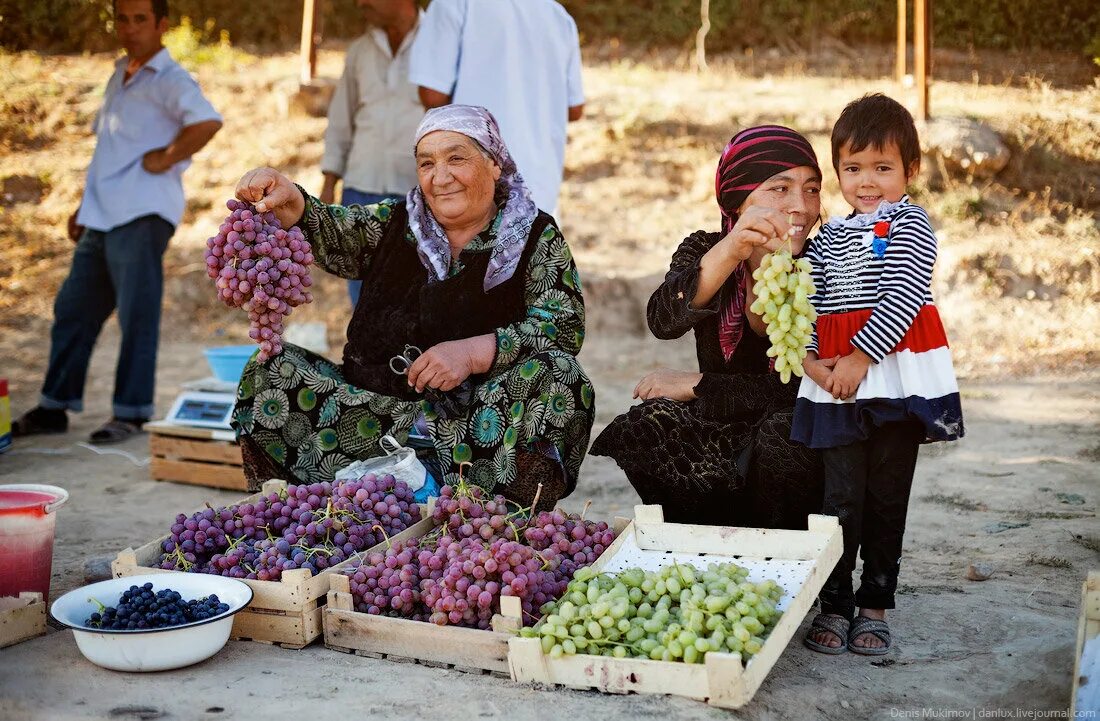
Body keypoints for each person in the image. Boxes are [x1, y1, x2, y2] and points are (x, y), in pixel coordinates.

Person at [231, 105, 594, 509]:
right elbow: (334, 229)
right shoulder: (395, 221)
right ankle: (302, 510)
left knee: (562, 377)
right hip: (371, 420)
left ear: (494, 164)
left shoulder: (534, 235)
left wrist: (474, 353)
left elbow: (563, 325)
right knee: (268, 371)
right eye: (427, 163)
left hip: (476, 432)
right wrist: (291, 198)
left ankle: (501, 519)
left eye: (457, 158)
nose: (441, 177)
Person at [590, 126, 825, 530]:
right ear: (738, 198)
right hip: (726, 427)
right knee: (648, 425)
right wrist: (733, 249)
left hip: (796, 433)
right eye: (779, 189)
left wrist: (699, 384)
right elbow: (663, 320)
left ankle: (783, 557)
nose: (800, 206)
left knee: (785, 431)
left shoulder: (827, 261)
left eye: (812, 189)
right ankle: (703, 547)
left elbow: (802, 387)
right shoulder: (707, 249)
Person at [797, 94, 964, 656]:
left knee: (888, 496)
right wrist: (817, 362)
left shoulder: (910, 224)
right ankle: (835, 604)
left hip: (892, 379)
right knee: (839, 497)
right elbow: (812, 307)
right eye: (852, 168)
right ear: (838, 170)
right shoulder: (824, 239)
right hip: (836, 386)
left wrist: (860, 358)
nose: (866, 182)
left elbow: (906, 292)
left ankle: (876, 604)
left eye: (882, 168)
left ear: (910, 171)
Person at [13, 0, 222, 443]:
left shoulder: (171, 78)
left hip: (143, 212)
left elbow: (207, 122)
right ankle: (54, 406)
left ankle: (130, 411)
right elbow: (108, 152)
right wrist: (82, 207)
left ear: (162, 25)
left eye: (140, 19)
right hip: (101, 215)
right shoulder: (119, 74)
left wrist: (167, 157)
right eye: (122, 19)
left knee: (136, 314)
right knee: (72, 309)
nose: (129, 29)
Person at [408, 0, 585, 216]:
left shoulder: (455, 4)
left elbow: (432, 94)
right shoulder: (558, 15)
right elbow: (575, 109)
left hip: (475, 196)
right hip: (539, 192)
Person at [320, 0, 424, 306]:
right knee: (363, 299)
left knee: (416, 295)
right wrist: (328, 184)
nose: (360, 2)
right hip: (360, 189)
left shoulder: (440, 43)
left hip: (420, 192)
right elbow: (340, 121)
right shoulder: (359, 52)